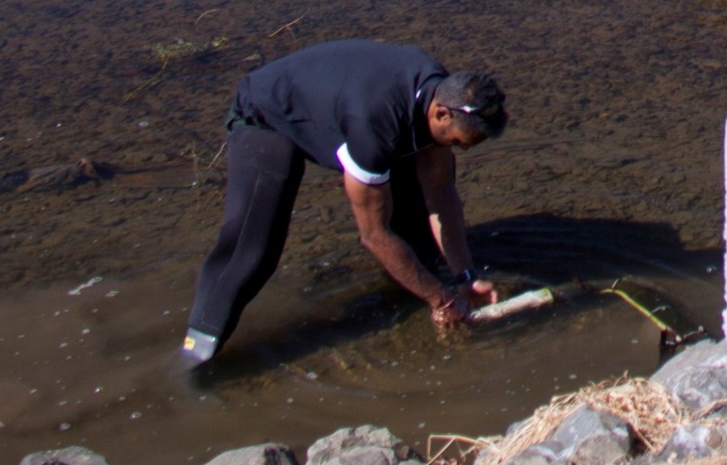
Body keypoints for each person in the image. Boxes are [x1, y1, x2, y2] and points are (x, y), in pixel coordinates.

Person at [180, 39, 507, 365]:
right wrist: (440, 299)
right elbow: (373, 235)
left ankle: (404, 298)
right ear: (441, 114)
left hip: (346, 108)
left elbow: (441, 197)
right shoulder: (375, 126)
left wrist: (465, 276)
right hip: (267, 116)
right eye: (459, 142)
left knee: (416, 229)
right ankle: (197, 348)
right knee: (254, 248)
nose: (461, 150)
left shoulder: (444, 91)